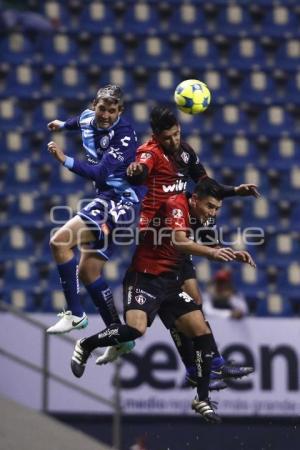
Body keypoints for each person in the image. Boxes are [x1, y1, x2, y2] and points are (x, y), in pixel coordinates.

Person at [70, 178, 255, 424]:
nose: (213, 213)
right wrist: (212, 252)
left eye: (217, 209)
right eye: (210, 207)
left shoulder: (203, 213)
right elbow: (179, 241)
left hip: (170, 282)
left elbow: (210, 240)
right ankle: (86, 344)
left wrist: (230, 253)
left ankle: (202, 398)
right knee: (136, 329)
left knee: (200, 329)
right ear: (195, 199)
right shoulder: (176, 205)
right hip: (145, 277)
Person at [97, 106, 256, 390]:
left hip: (180, 226)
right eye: (167, 137)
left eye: (177, 134)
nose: (173, 141)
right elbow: (139, 171)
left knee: (192, 299)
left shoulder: (184, 152)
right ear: (156, 135)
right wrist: (135, 172)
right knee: (180, 304)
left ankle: (209, 365)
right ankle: (200, 367)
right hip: (158, 232)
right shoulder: (149, 153)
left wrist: (234, 191)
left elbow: (205, 183)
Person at [46, 85, 144, 363]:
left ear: (120, 112)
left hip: (122, 200)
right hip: (107, 197)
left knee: (59, 242)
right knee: (88, 271)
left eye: (112, 110)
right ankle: (118, 335)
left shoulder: (123, 136)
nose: (105, 115)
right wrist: (62, 124)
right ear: (94, 105)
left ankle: (76, 316)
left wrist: (64, 159)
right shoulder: (89, 116)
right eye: (102, 108)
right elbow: (79, 121)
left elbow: (100, 173)